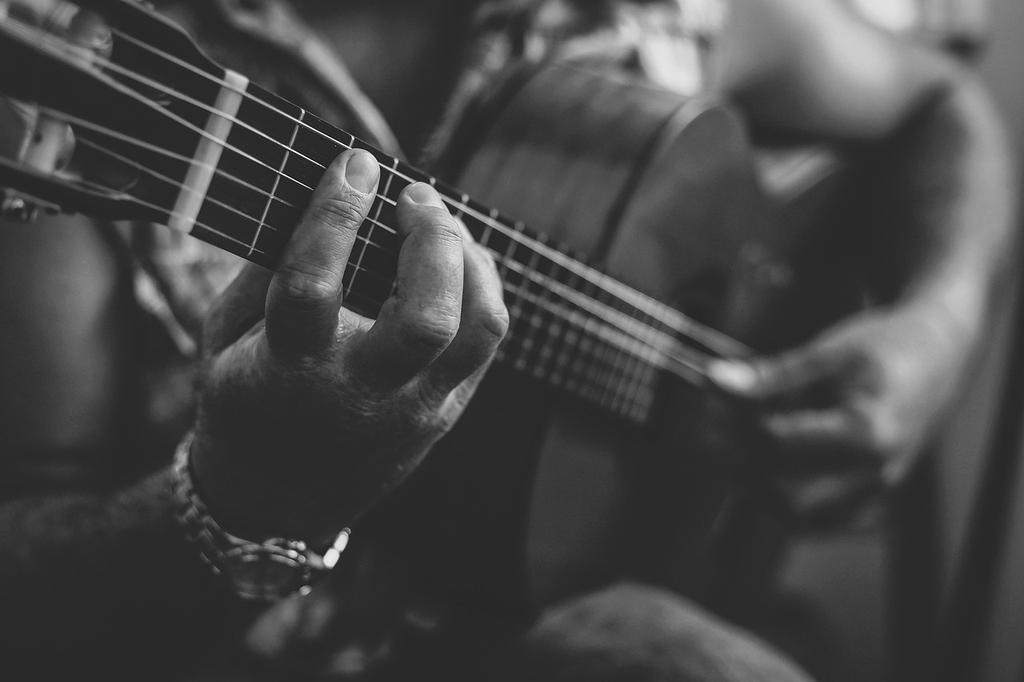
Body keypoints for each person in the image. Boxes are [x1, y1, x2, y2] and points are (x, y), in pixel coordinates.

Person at [0, 0, 1015, 680]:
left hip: (681, 569)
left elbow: (940, 102)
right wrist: (239, 502)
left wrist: (937, 320)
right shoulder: (88, 59)